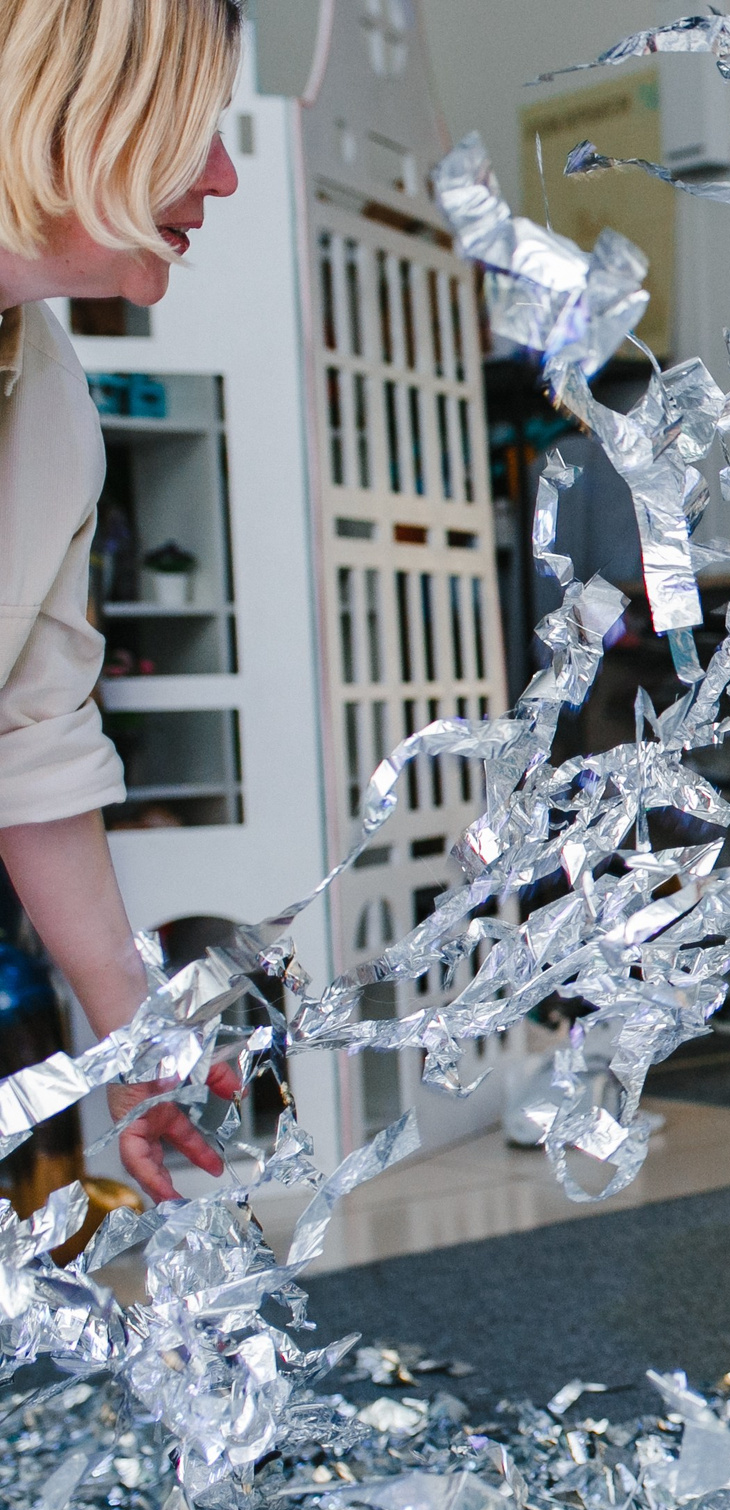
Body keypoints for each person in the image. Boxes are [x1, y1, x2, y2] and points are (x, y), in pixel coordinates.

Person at [0, 0, 245, 1203]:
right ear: (72, 110)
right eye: (197, 130)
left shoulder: (41, 394)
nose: (227, 177)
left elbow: (29, 732)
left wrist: (130, 1033)